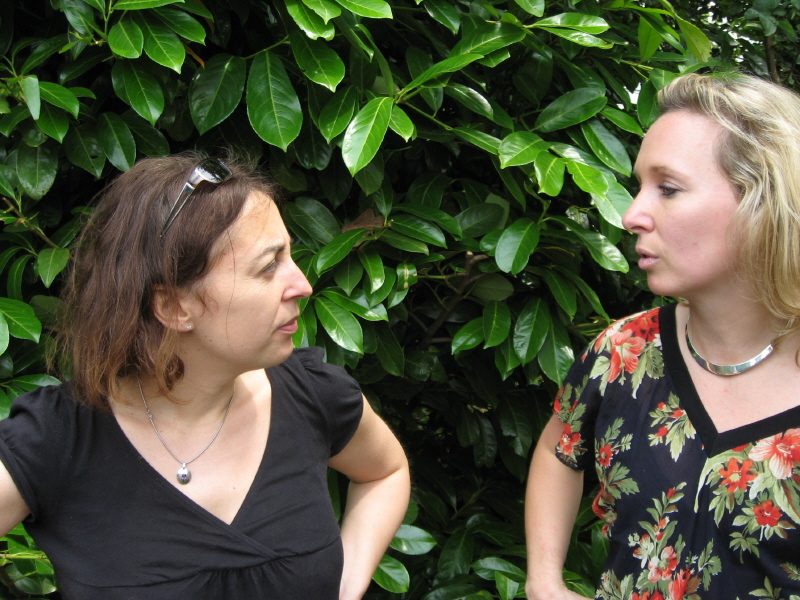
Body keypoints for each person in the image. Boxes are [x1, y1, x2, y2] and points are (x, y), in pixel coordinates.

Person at [0, 153, 410, 599]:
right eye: (269, 266)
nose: (303, 285)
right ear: (174, 307)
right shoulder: (56, 441)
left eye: (289, 255)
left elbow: (385, 472)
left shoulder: (313, 394)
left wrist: (345, 587)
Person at [525, 72, 800, 600]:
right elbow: (558, 450)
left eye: (668, 189)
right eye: (639, 186)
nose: (631, 215)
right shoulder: (623, 352)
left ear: (764, 201)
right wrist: (543, 582)